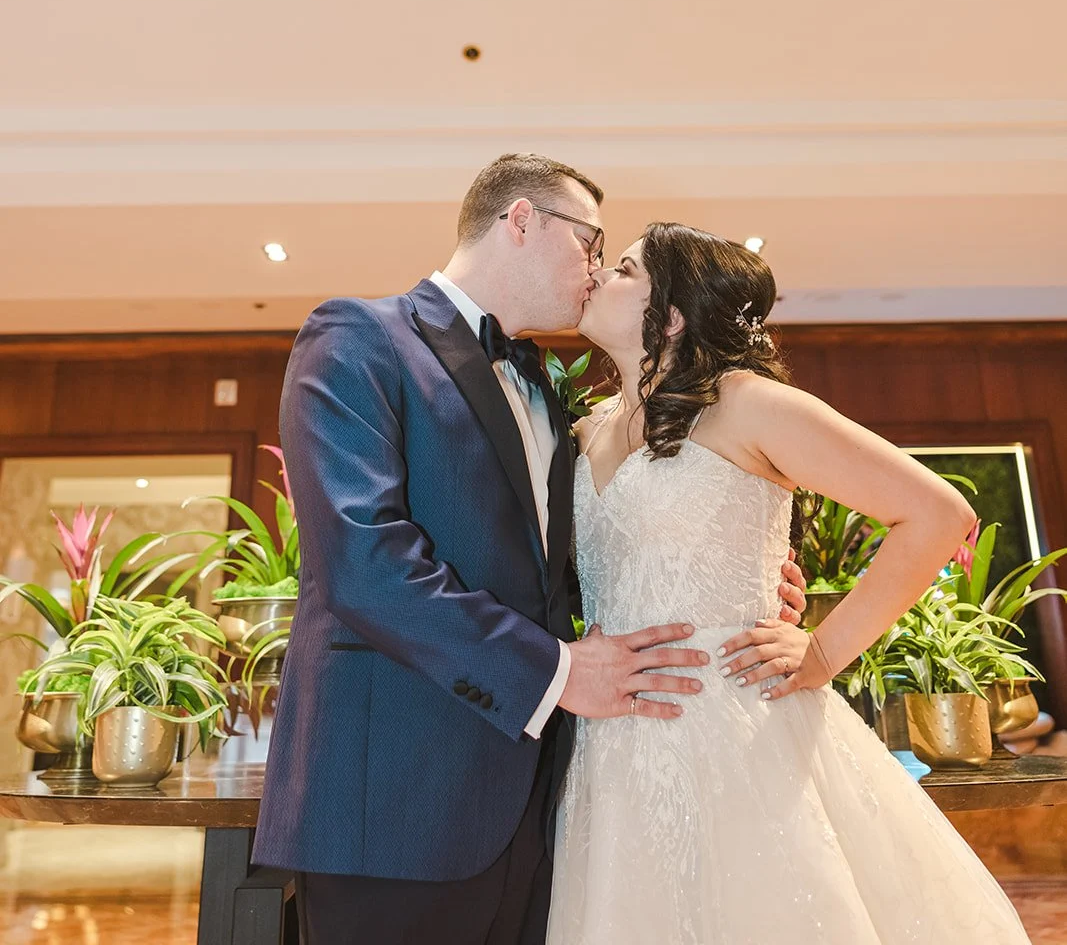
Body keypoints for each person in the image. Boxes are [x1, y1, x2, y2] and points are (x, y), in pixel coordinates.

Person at [253, 158, 806, 945]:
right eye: (592, 244)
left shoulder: (547, 389)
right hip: (395, 806)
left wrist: (735, 581)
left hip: (545, 803)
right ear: (520, 220)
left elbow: (566, 569)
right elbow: (365, 566)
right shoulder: (359, 338)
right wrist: (556, 671)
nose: (594, 269)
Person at [548, 223, 1032, 945]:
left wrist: (822, 653)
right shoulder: (586, 428)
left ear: (671, 315)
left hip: (736, 722)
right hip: (610, 738)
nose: (598, 276)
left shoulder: (748, 405)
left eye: (622, 270)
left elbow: (937, 514)